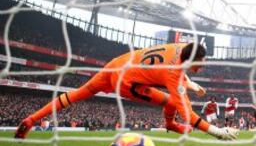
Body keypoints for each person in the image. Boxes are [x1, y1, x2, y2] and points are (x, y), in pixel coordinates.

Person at [15, 43, 238, 140]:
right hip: (126, 82)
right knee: (173, 103)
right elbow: (189, 114)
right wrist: (218, 132)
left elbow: (179, 67)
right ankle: (170, 124)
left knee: (76, 94)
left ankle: (31, 119)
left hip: (116, 64)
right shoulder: (173, 76)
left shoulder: (180, 48)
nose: (203, 65)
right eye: (200, 62)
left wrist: (190, 84)